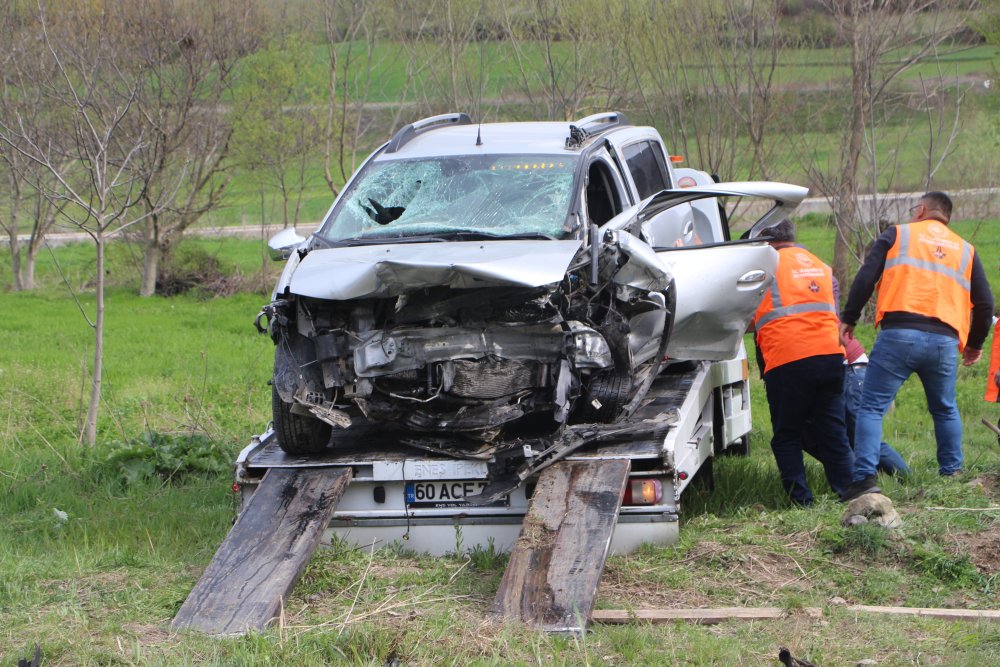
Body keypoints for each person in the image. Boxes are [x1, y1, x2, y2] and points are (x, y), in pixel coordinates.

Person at [840, 191, 994, 499]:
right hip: (945, 342)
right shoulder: (966, 250)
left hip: (899, 333)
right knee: (945, 408)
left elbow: (866, 275)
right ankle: (952, 474)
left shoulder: (898, 234)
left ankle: (865, 479)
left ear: (921, 209)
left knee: (871, 408)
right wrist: (975, 344)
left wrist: (850, 317)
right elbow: (986, 303)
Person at [752, 219, 855, 505]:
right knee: (834, 431)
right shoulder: (818, 264)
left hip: (788, 358)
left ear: (765, 240)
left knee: (787, 434)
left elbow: (748, 316)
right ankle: (848, 492)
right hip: (831, 356)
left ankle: (801, 500)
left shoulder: (763, 268)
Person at [841, 336, 910, 477]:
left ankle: (908, 477)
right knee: (849, 436)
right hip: (849, 368)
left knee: (861, 437)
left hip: (851, 368)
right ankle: (869, 479)